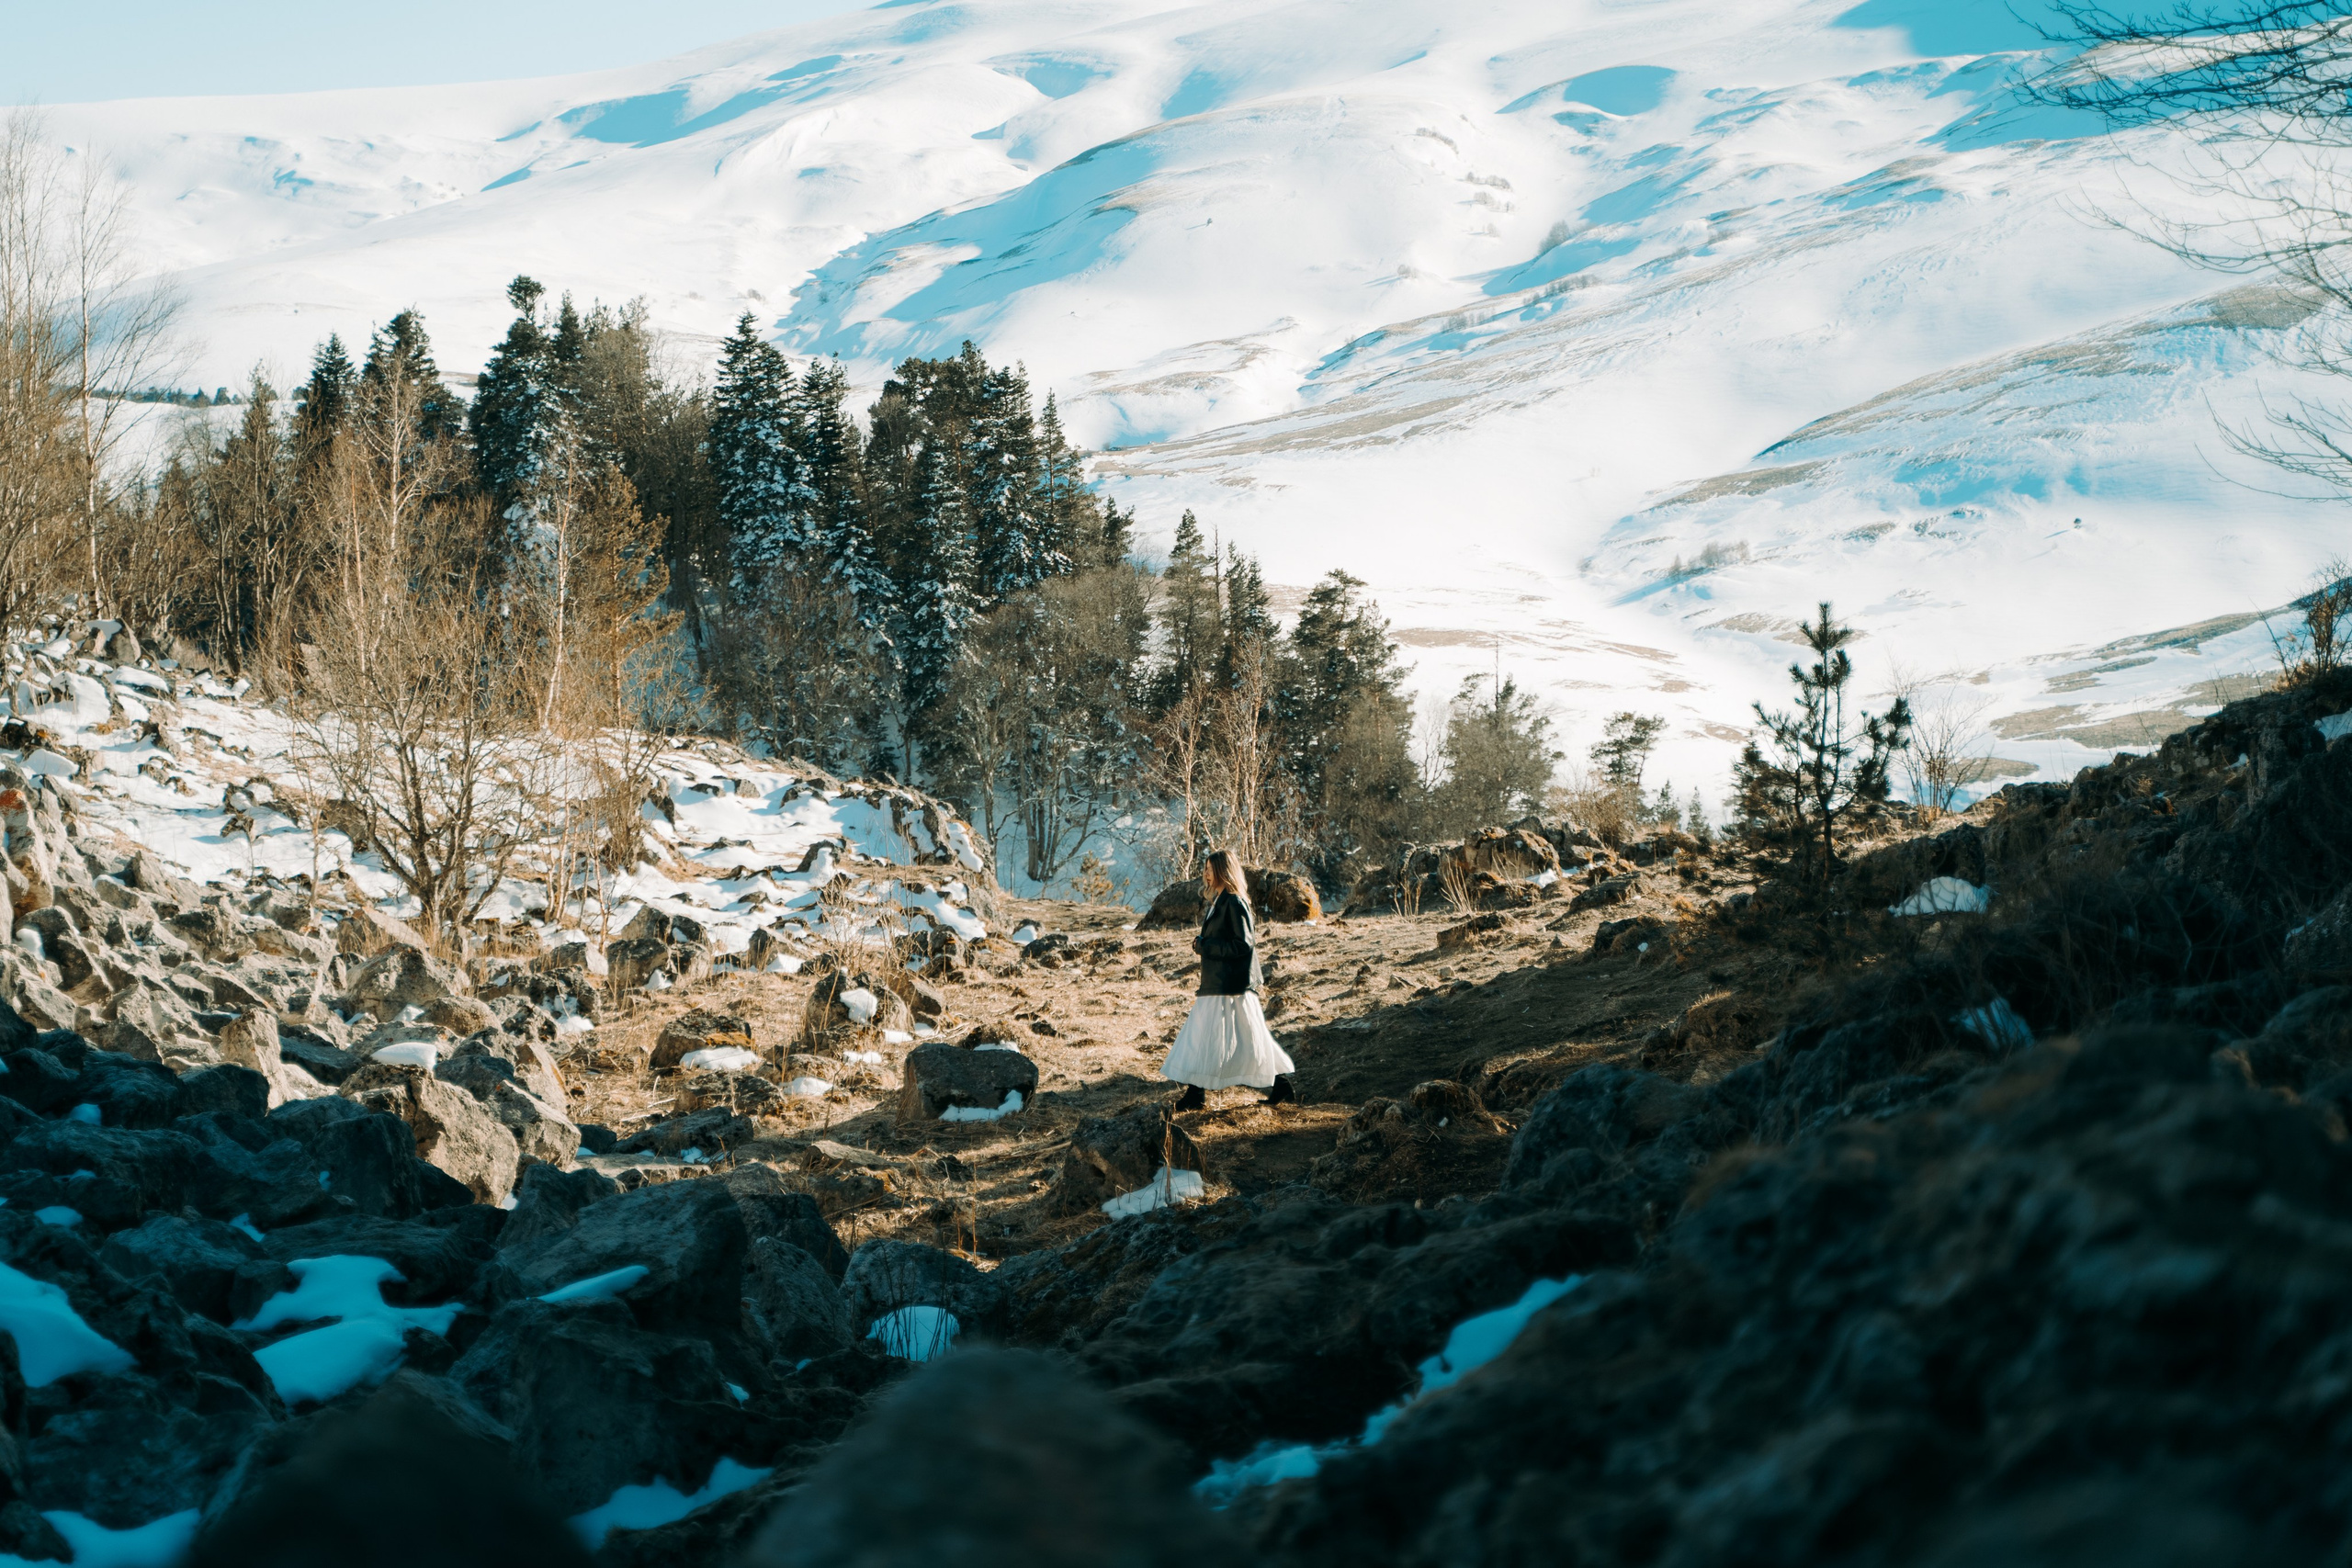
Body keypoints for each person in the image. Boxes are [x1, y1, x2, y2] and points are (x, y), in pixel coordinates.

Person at [1162, 849, 1295, 1111]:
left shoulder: (1234, 901)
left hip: (1231, 986)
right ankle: (1278, 1087)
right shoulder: (1220, 901)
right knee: (1234, 1036)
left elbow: (1243, 944)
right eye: (1206, 868)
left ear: (1224, 870)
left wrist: (1206, 946)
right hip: (1219, 984)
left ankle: (1197, 1094)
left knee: (1222, 1036)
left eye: (1211, 869)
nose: (1206, 874)